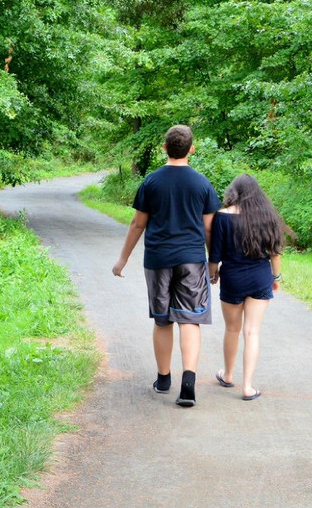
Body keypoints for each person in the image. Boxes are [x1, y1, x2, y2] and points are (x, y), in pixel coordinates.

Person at [112, 125, 221, 407]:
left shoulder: (151, 182)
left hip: (158, 259)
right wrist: (213, 262)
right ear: (191, 150)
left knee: (163, 320)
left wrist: (123, 258)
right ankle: (188, 382)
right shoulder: (202, 184)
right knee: (190, 319)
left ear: (164, 147)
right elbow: (210, 230)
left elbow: (138, 223)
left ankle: (163, 379)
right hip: (192, 261)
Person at [209, 174, 289, 401]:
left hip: (233, 278)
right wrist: (276, 277)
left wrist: (212, 273)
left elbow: (215, 254)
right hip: (260, 277)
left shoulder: (222, 217)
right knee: (252, 332)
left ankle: (227, 374)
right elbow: (275, 253)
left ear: (233, 192)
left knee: (232, 329)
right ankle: (247, 387)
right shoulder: (267, 216)